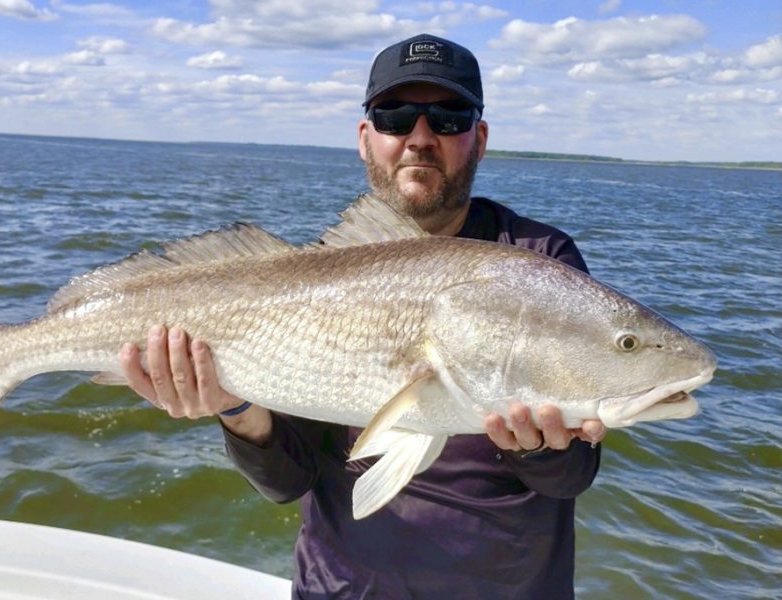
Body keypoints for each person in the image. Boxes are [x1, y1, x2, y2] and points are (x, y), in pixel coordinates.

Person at [120, 33, 606, 599]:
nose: (420, 137)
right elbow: (288, 481)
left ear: (481, 138)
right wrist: (235, 408)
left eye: (449, 117)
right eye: (394, 115)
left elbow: (572, 476)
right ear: (364, 138)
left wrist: (536, 445)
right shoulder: (309, 282)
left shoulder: (538, 263)